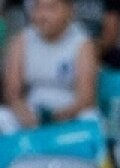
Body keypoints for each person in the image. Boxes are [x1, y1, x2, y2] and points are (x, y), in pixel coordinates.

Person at [0, 0, 99, 134]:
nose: (43, 15)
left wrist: (55, 118)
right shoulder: (21, 40)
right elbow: (12, 92)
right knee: (3, 117)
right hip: (31, 111)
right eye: (38, 8)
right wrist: (24, 113)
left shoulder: (83, 44)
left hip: (69, 112)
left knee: (90, 117)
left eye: (51, 8)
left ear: (69, 11)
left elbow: (86, 97)